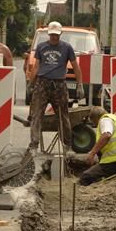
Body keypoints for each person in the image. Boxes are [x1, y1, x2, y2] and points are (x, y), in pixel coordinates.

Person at [28, 21, 84, 152]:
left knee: (63, 115)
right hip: (42, 83)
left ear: (60, 34)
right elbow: (36, 66)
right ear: (49, 34)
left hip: (59, 85)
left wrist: (79, 84)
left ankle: (67, 145)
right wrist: (31, 83)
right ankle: (34, 145)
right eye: (52, 35)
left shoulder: (67, 47)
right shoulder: (41, 47)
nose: (54, 37)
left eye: (56, 35)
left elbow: (75, 66)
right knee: (36, 115)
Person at [79, 106, 116, 186]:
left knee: (85, 177)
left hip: (115, 160)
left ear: (96, 118)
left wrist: (92, 153)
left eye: (94, 122)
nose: (95, 125)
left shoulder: (105, 120)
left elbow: (106, 135)